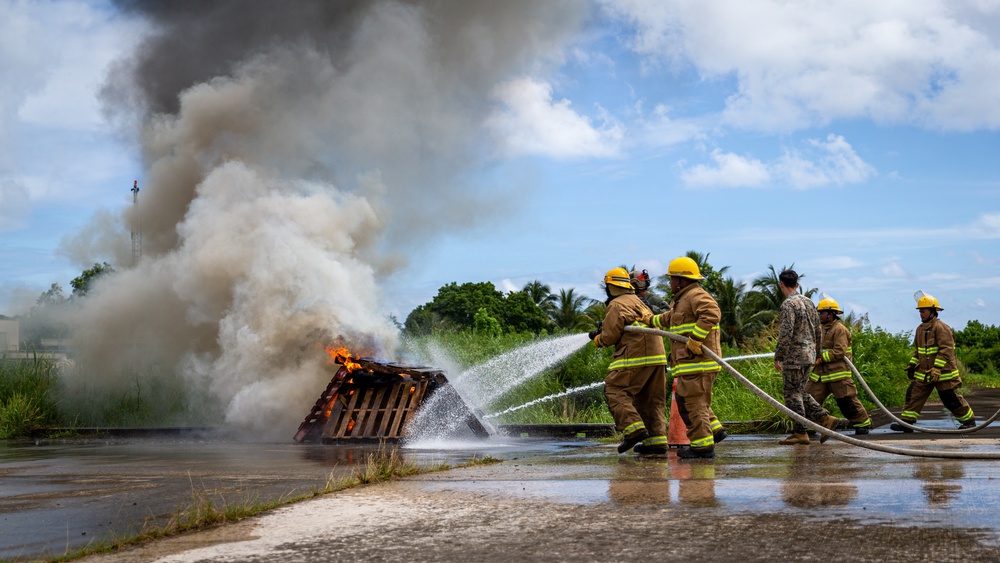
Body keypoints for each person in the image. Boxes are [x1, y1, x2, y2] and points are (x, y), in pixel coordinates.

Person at [642, 256, 725, 459]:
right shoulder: (682, 300)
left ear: (682, 279)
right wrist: (649, 320)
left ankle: (703, 447)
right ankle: (713, 432)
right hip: (690, 365)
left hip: (699, 364)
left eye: (672, 279)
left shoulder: (695, 295)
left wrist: (696, 339)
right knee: (688, 401)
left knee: (693, 404)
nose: (670, 283)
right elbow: (671, 319)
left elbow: (712, 313)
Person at [590, 267, 669, 454]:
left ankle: (633, 430)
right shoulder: (640, 301)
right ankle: (656, 442)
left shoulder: (616, 304)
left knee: (615, 391)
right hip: (658, 357)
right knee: (650, 400)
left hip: (635, 356)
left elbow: (609, 336)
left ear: (611, 286)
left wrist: (597, 338)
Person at [890, 292, 975, 432]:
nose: (921, 314)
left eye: (923, 311)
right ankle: (907, 423)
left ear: (933, 311)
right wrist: (912, 364)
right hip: (924, 372)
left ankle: (969, 421)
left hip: (943, 373)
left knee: (950, 398)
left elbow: (946, 349)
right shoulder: (920, 329)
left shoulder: (941, 327)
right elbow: (918, 351)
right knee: (913, 394)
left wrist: (937, 368)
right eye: (920, 311)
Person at [773, 269, 841, 445]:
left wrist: (779, 355)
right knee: (800, 392)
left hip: (794, 356)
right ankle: (825, 419)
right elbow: (818, 330)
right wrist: (817, 353)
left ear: (781, 285)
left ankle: (800, 432)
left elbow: (786, 332)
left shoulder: (789, 305)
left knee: (791, 394)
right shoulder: (810, 303)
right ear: (797, 284)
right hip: (809, 355)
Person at [807, 296, 872, 436]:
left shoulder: (840, 329)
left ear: (830, 314)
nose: (820, 315)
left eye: (822, 313)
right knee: (809, 398)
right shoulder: (820, 329)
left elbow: (839, 351)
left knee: (846, 401)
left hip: (838, 374)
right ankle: (809, 425)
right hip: (820, 374)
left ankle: (862, 423)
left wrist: (821, 358)